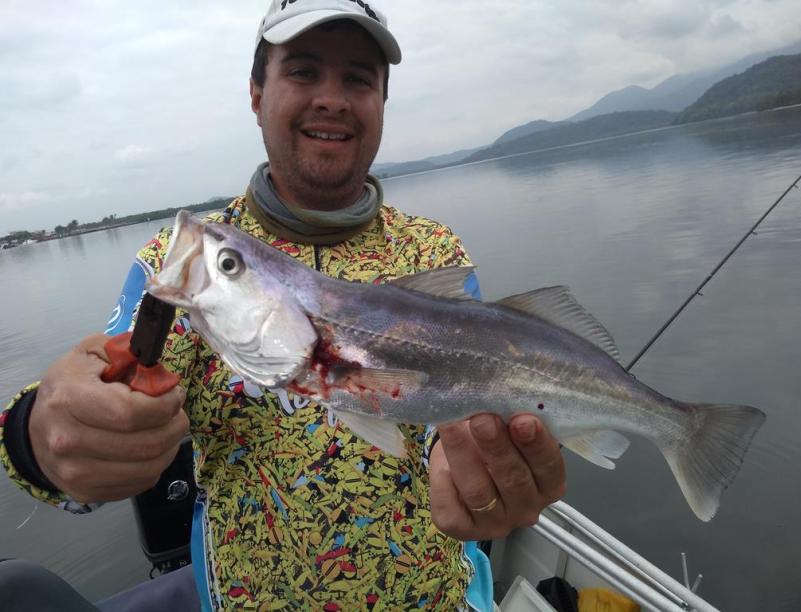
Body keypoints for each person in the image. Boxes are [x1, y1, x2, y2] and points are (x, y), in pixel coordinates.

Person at [0, 1, 566, 609]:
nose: (332, 99)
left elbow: (452, 408)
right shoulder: (185, 263)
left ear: (381, 102)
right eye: (302, 71)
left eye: (358, 78)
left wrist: (482, 469)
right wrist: (43, 434)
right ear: (256, 95)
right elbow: (98, 397)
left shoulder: (434, 251)